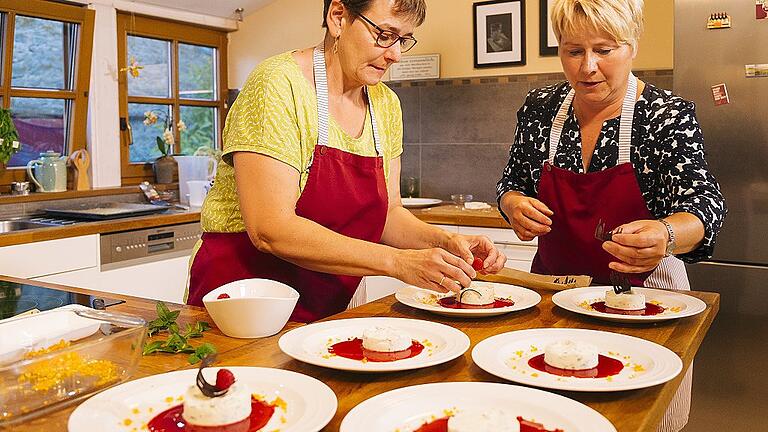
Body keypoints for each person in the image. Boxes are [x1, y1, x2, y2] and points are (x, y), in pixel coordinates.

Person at [186, 0, 506, 323]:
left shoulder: (385, 105)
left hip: (322, 310)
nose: (395, 54)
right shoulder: (278, 86)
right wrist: (398, 263)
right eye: (384, 34)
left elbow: (389, 215)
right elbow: (271, 229)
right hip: (242, 308)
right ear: (338, 17)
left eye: (403, 39)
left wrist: (448, 242)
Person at [496, 1, 726, 431]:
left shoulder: (665, 115)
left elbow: (704, 208)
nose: (587, 67)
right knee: (548, 417)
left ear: (632, 45)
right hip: (552, 296)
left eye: (604, 49)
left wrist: (666, 234)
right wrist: (513, 205)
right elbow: (511, 184)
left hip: (647, 303)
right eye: (572, 50)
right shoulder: (540, 108)